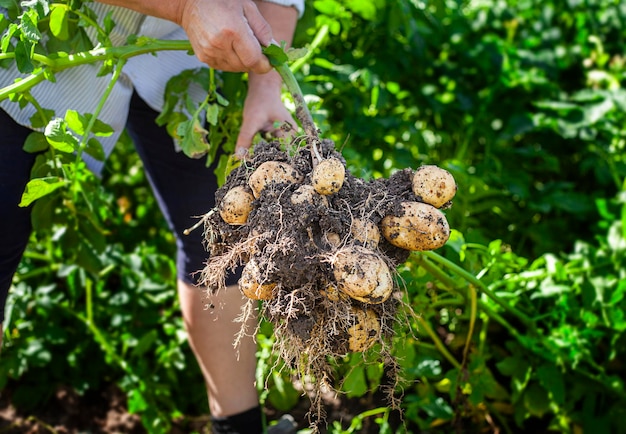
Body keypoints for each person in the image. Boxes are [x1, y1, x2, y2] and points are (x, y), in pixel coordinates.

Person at [0, 0, 303, 432]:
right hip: (43, 51)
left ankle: (239, 427)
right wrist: (183, 6)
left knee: (220, 236)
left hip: (185, 56)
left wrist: (267, 84)